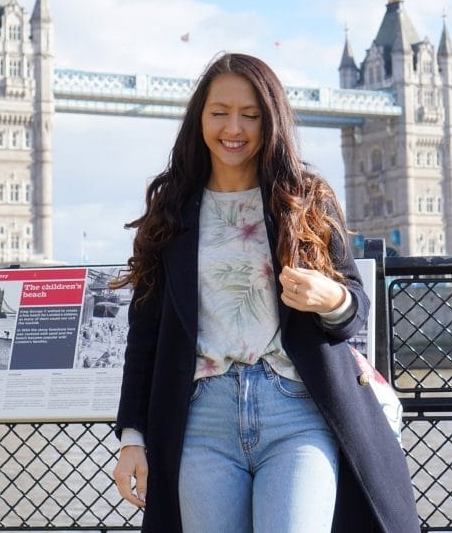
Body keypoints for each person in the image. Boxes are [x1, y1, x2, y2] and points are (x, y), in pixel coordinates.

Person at [111, 53, 418, 532]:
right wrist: (132, 437)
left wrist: (329, 298)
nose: (234, 128)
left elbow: (353, 311)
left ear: (270, 121)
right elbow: (144, 333)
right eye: (220, 112)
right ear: (199, 119)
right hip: (201, 421)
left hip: (297, 411)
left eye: (251, 115)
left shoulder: (305, 198)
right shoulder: (169, 207)